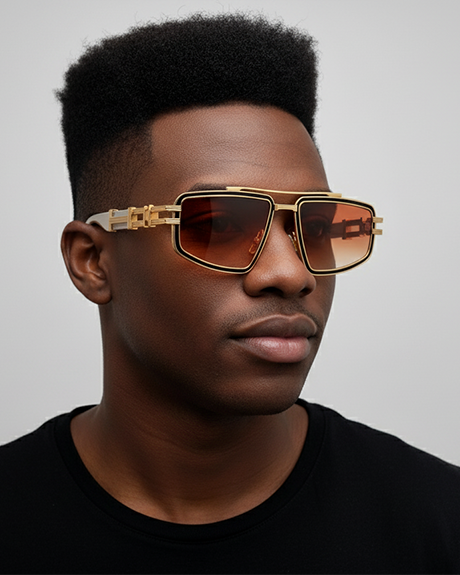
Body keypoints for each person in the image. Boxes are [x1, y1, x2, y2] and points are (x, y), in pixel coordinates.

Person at [1, 13, 459, 574]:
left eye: (317, 226)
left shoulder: (437, 523)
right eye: (220, 225)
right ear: (93, 261)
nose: (292, 274)